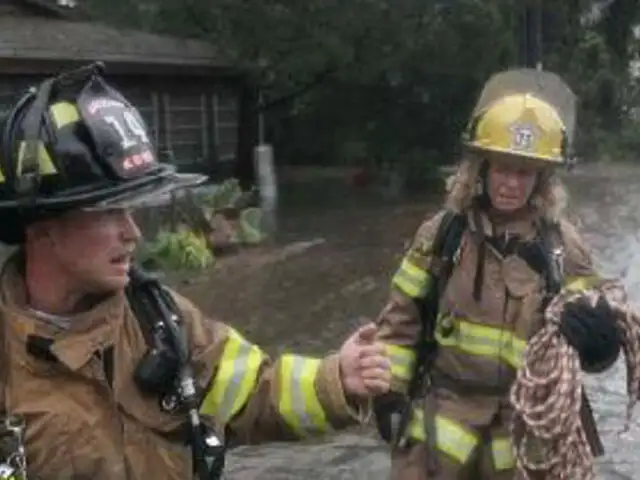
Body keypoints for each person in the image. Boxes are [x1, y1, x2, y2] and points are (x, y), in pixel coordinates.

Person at [0, 62, 391, 479]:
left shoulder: (160, 321)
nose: (131, 233)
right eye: (107, 212)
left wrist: (337, 380)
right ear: (41, 229)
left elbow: (254, 393)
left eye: (130, 210)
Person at [372, 68, 622, 479]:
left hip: (528, 429)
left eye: (524, 172)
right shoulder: (441, 236)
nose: (511, 183)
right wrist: (389, 395)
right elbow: (400, 324)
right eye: (502, 168)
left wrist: (600, 341)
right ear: (480, 168)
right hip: (442, 425)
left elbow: (589, 331)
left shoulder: (563, 247)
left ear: (541, 179)